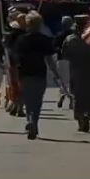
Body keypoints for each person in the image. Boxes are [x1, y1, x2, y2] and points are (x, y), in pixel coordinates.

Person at [15, 11, 59, 140]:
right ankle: (34, 122)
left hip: (24, 73)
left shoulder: (22, 39)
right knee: (37, 101)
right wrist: (56, 73)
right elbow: (49, 59)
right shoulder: (45, 40)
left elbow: (16, 58)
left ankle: (29, 120)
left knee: (28, 100)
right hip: (39, 72)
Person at [62, 15, 90, 132]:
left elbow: (64, 55)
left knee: (78, 96)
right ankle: (87, 115)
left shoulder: (70, 39)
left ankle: (80, 118)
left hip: (76, 71)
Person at [4, 13, 26, 117]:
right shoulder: (22, 35)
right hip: (18, 63)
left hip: (15, 63)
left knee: (16, 86)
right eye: (23, 19)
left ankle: (15, 106)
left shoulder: (11, 34)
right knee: (19, 86)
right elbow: (7, 49)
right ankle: (18, 108)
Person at [54, 16, 74, 109]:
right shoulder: (74, 35)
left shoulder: (59, 35)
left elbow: (54, 47)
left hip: (61, 60)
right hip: (72, 60)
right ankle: (71, 98)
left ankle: (63, 94)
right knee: (71, 80)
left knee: (62, 80)